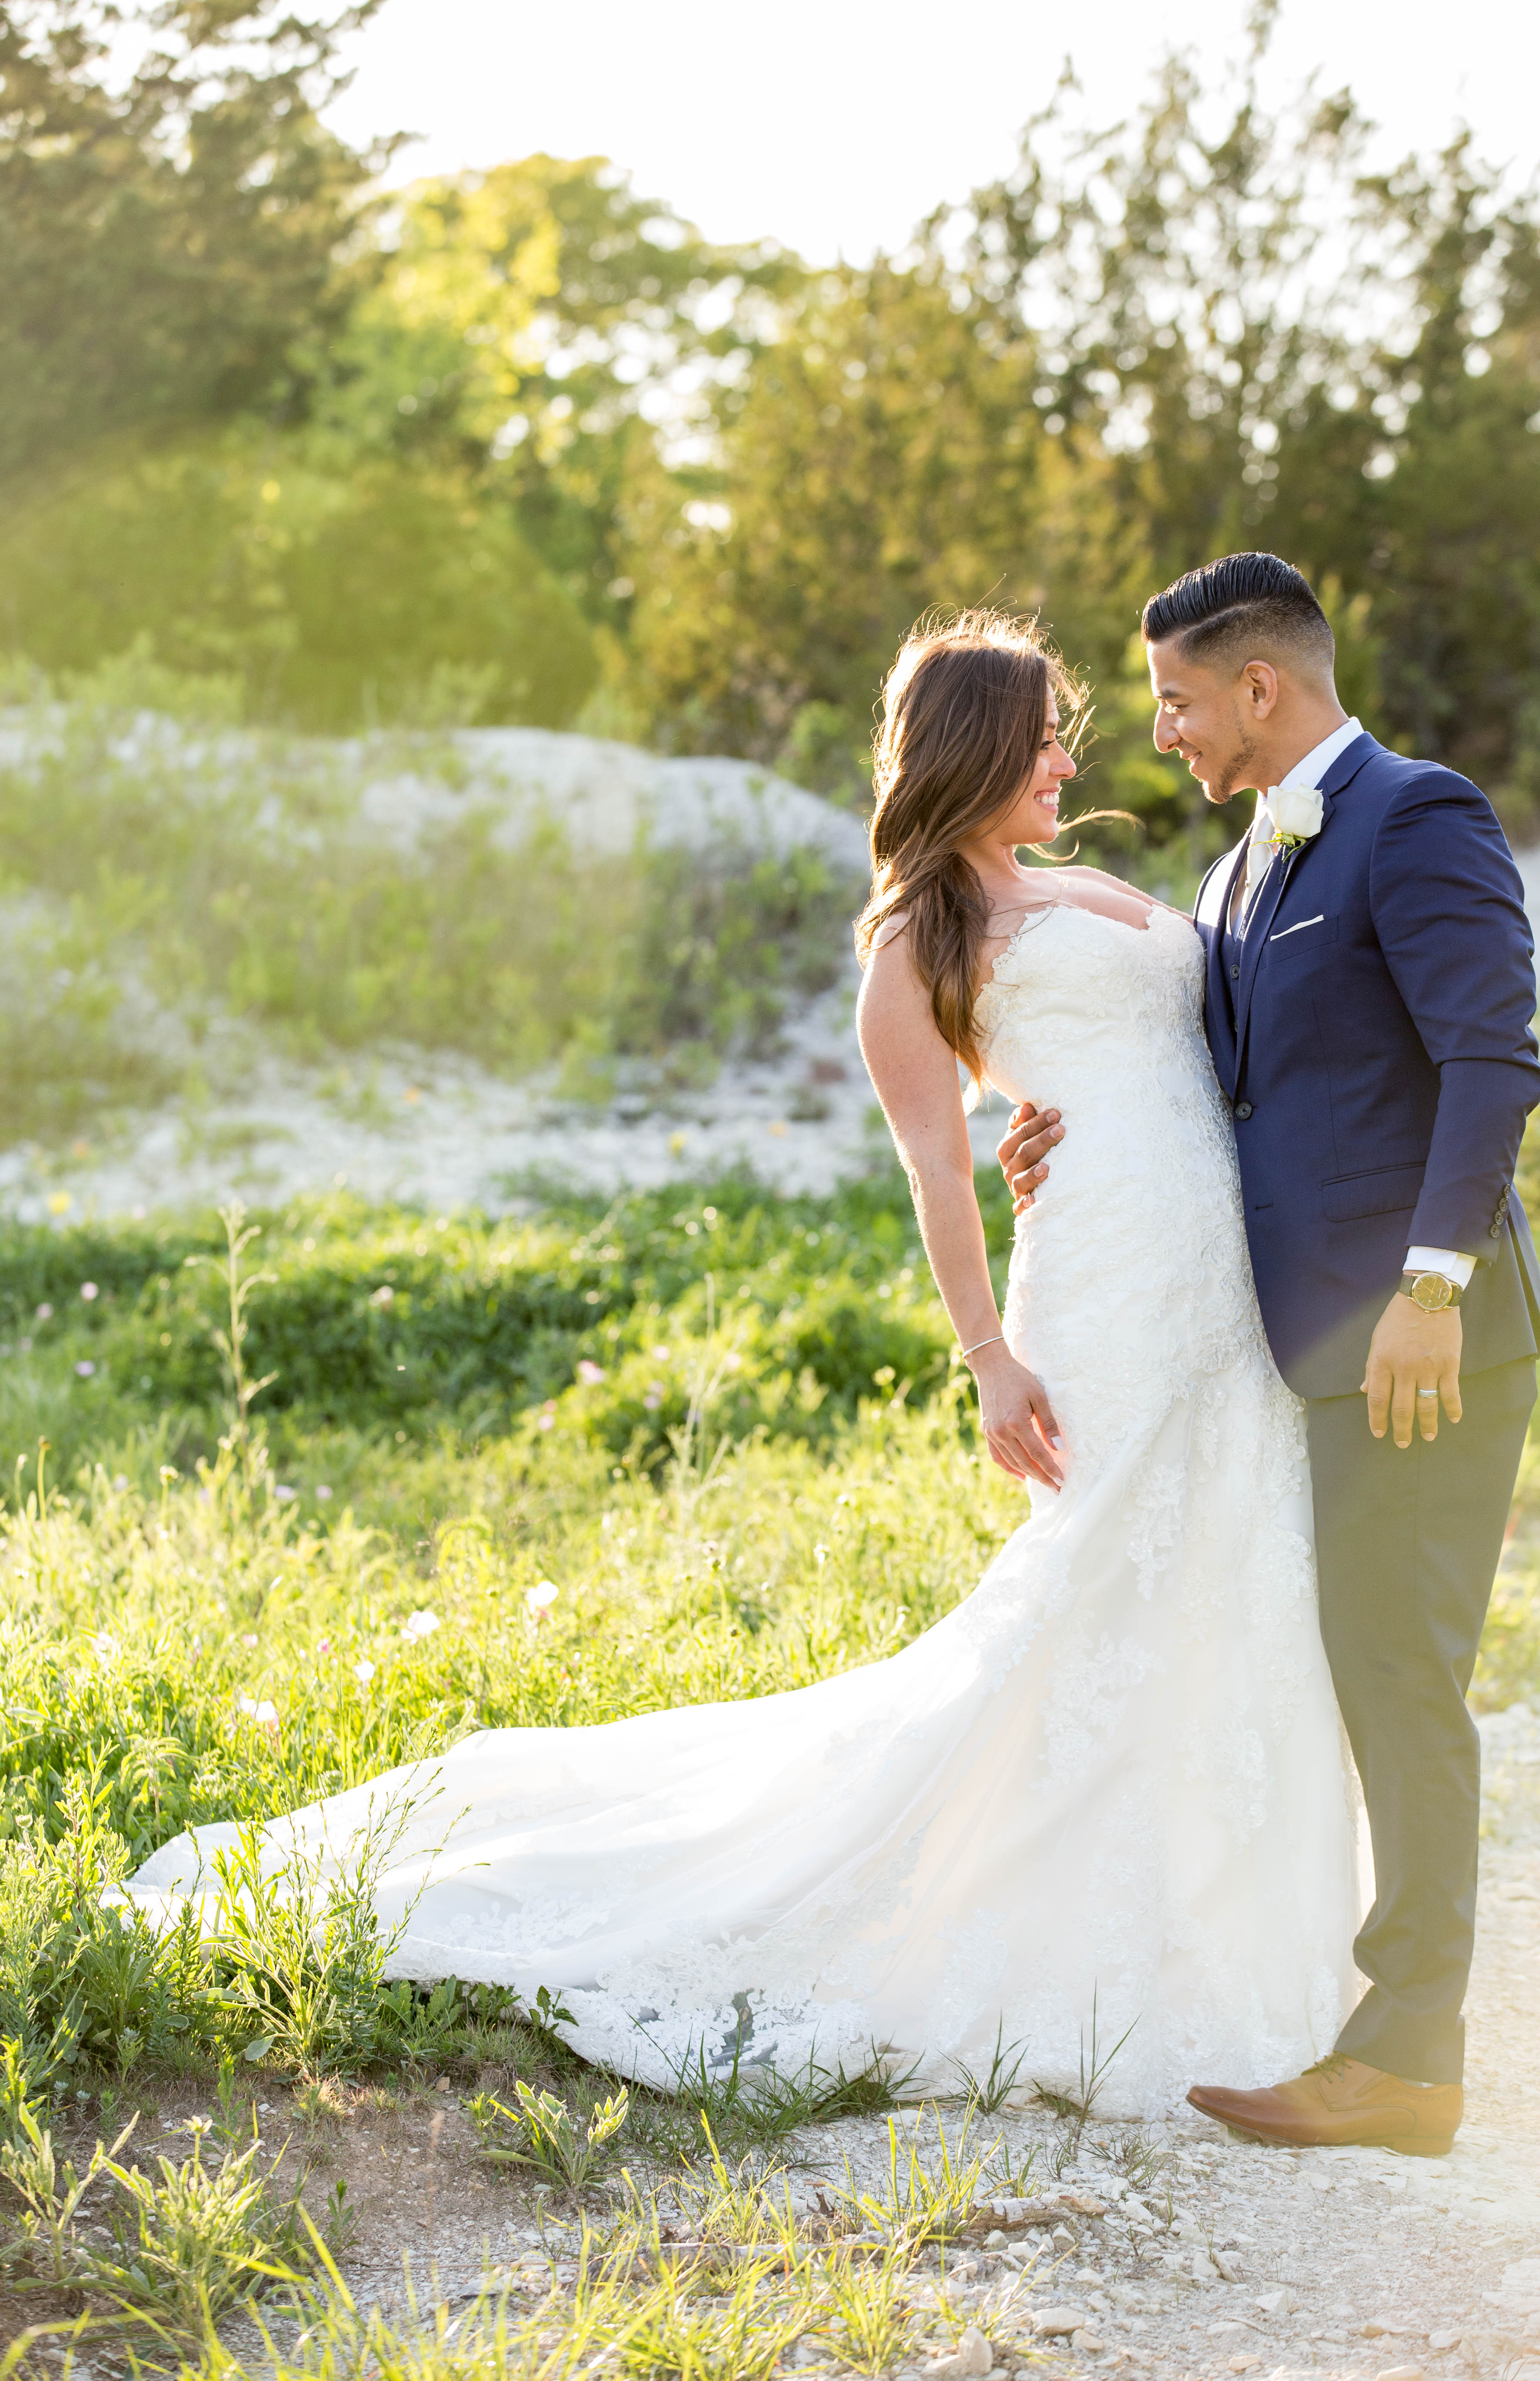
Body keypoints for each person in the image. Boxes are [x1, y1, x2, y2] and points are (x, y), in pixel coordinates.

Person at [121, 608, 1363, 2117]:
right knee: (1102, 1576)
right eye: (1041, 731)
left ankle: (1224, 1906)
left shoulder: (1091, 885)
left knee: (1230, 1565)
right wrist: (987, 1359)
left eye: (1067, 731)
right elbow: (934, 1169)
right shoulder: (916, 948)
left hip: (1218, 1282)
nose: (1066, 755)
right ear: (972, 747)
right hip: (1102, 1290)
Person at [998, 553, 1540, 2154]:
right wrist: (1071, 1138)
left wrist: (1431, 1288)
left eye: (1174, 699)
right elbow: (1230, 1088)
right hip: (1295, 1350)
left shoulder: (1418, 814)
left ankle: (1409, 2063)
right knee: (1345, 1668)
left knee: (1402, 1674)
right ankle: (1367, 2021)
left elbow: (1489, 1061)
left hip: (1419, 1346)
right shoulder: (1244, 865)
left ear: (1262, 686)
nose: (1159, 731)